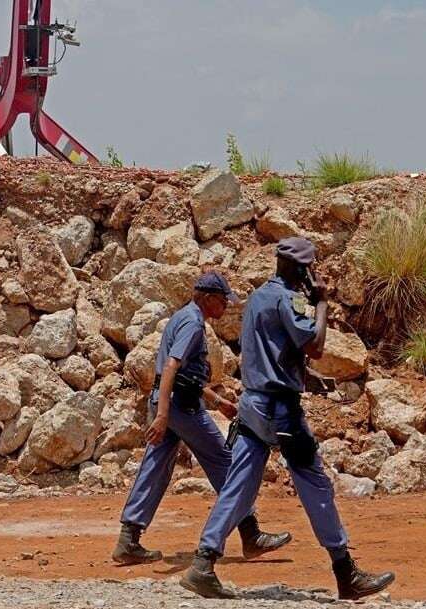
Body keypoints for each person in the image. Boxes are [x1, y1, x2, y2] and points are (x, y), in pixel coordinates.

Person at [180, 237, 395, 600]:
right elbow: (316, 345)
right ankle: (345, 570)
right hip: (281, 408)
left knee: (240, 485)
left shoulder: (258, 298)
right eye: (308, 268)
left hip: (252, 404)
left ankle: (203, 563)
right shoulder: (287, 299)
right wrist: (322, 304)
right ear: (299, 269)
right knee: (315, 483)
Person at [113, 271, 291, 565]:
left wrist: (216, 401)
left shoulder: (181, 317)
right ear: (208, 299)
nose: (225, 307)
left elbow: (183, 377)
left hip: (169, 403)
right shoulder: (194, 324)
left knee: (155, 467)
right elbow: (171, 367)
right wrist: (163, 416)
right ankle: (251, 534)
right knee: (225, 462)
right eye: (222, 301)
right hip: (180, 408)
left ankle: (128, 540)